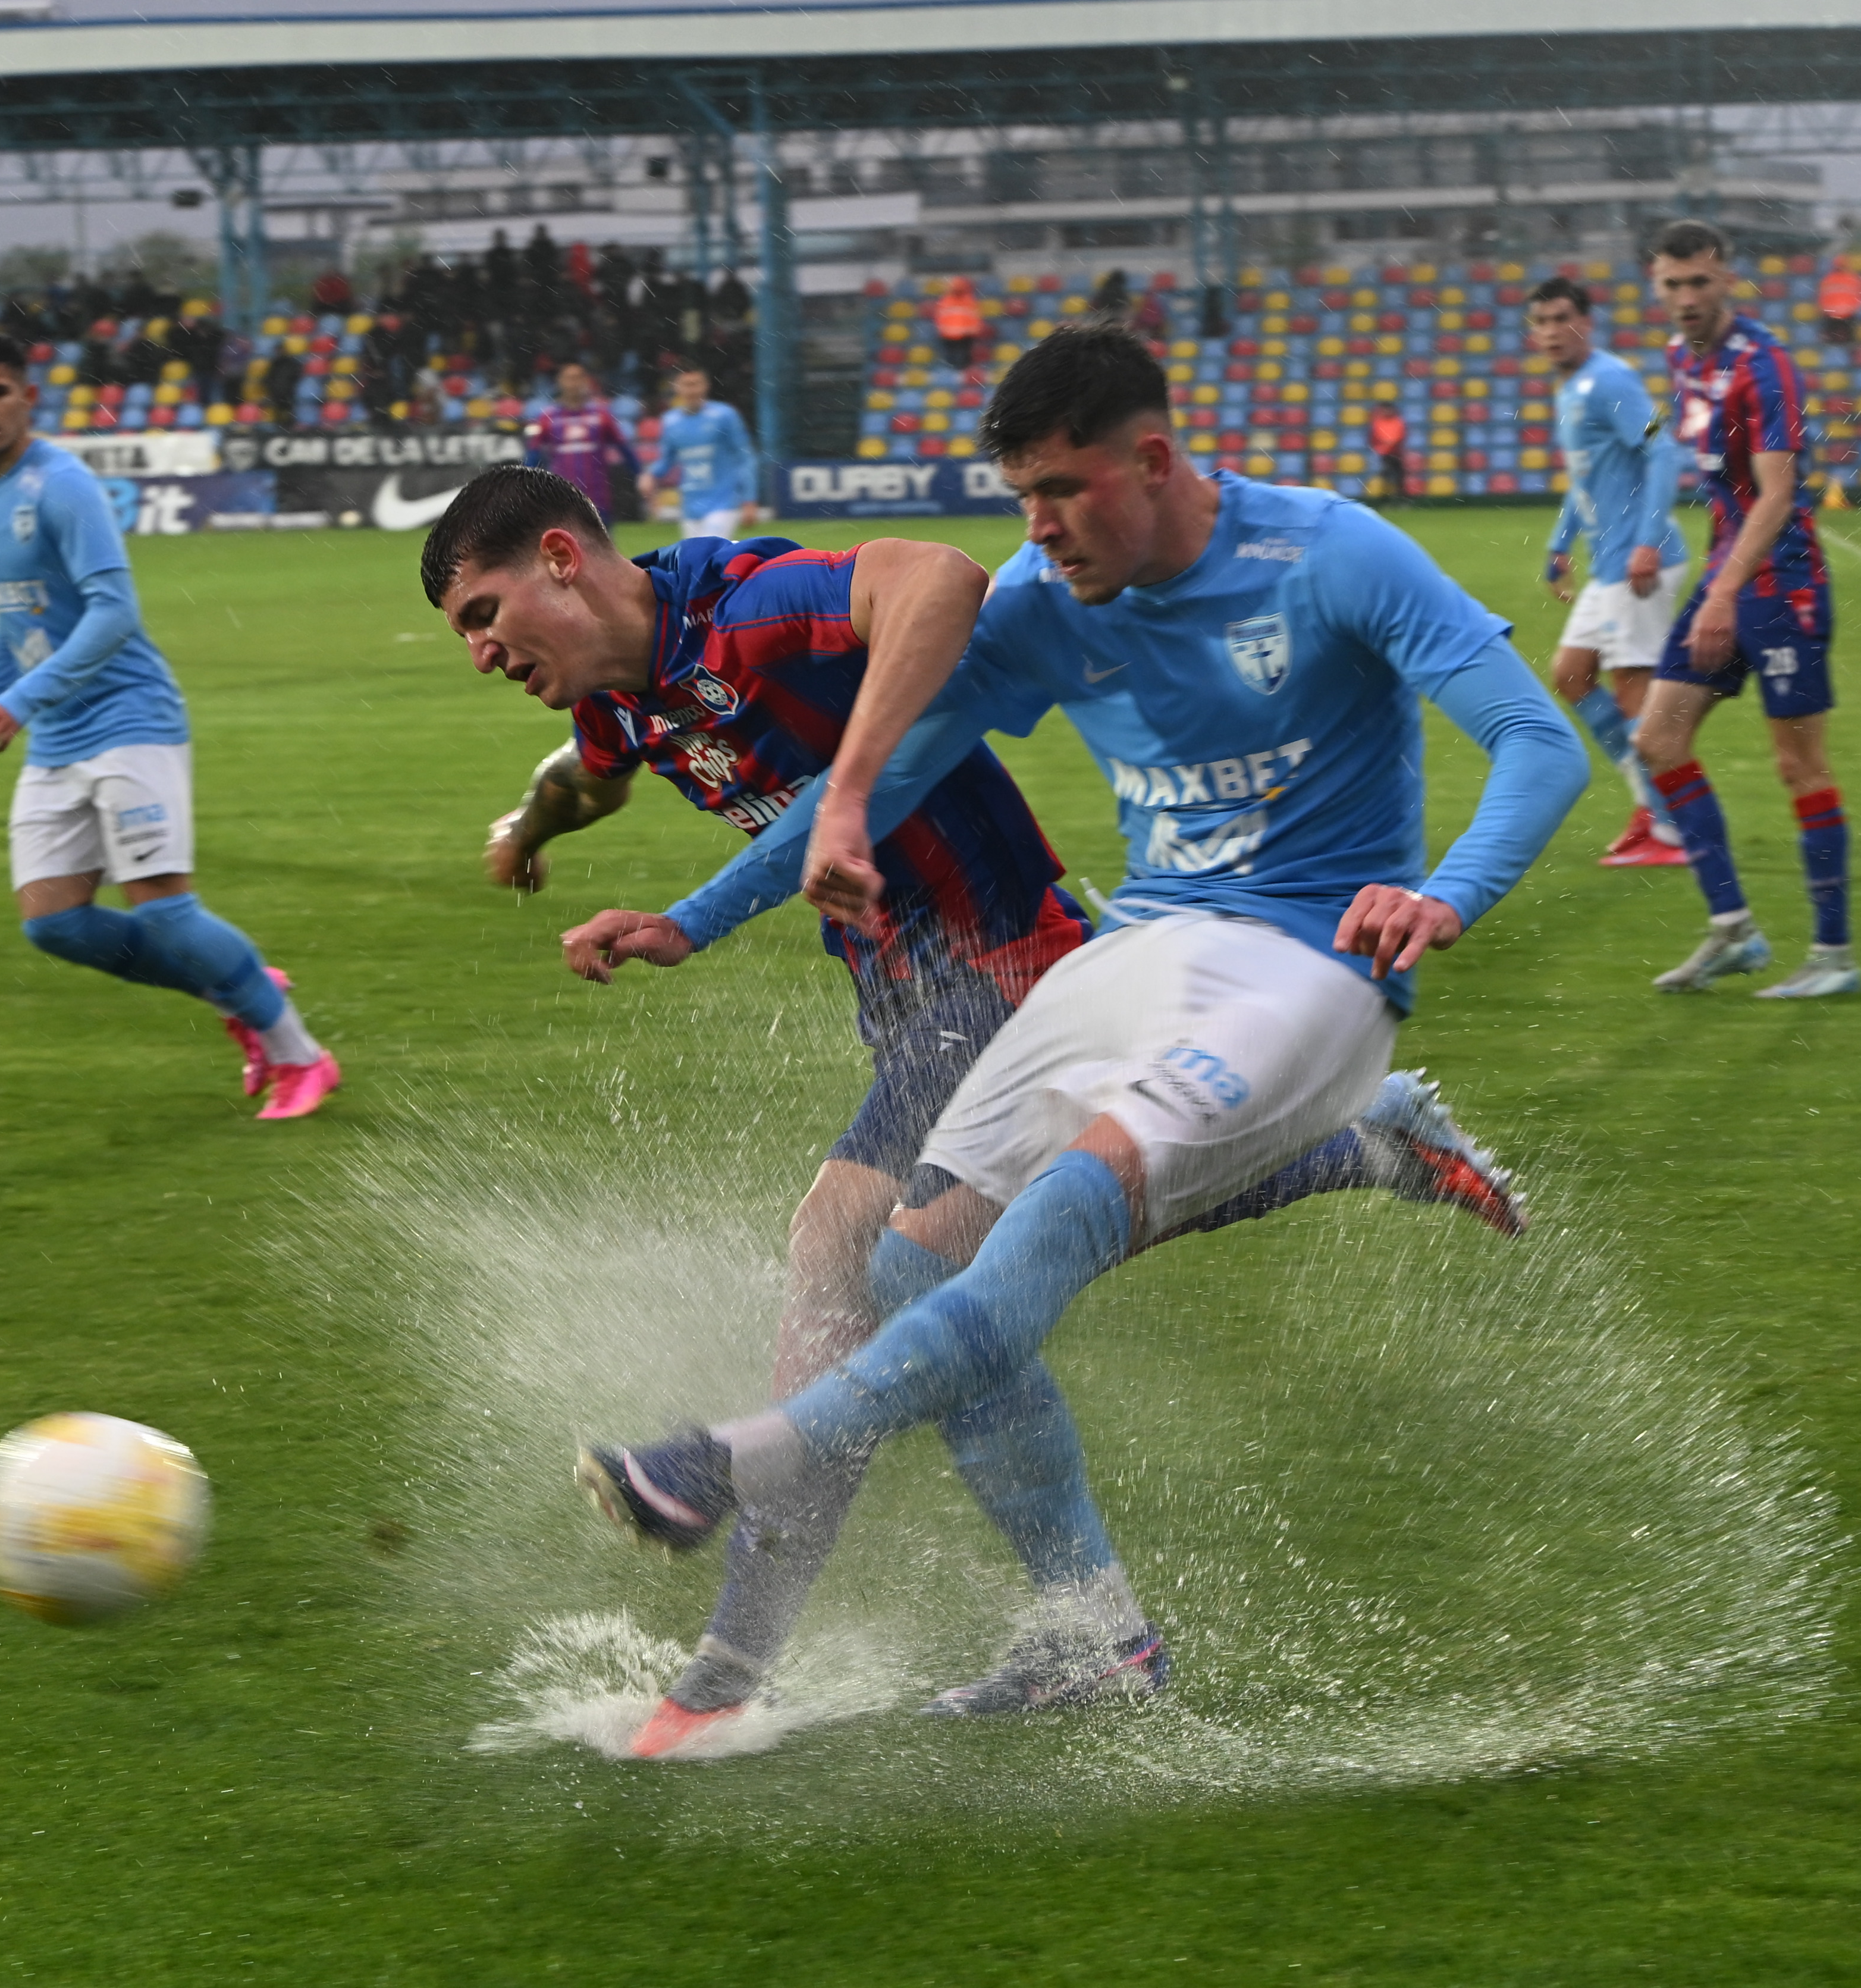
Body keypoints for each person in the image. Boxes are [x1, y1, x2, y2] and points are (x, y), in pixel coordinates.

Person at [567, 319, 1584, 1741]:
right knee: (915, 1272)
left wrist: (1444, 894)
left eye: (1059, 492)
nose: (1034, 533)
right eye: (1018, 500)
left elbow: (1539, 742)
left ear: (1151, 458)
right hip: (1131, 954)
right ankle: (1097, 1638)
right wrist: (693, 915)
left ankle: (732, 1457)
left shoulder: (1334, 556)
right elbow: (886, 770)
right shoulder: (1048, 604)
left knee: (1051, 1222)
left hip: (1308, 963)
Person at [0, 330, 340, 1120]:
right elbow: (15, 616)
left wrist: (16, 702)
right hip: (58, 731)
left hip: (128, 716)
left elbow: (114, 611)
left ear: (27, 397)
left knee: (163, 908)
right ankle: (235, 985)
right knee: (54, 924)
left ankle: (301, 1055)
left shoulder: (62, 485)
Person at [1633, 219, 1856, 999]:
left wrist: (1721, 593)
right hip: (1727, 574)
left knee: (1797, 764)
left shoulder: (1763, 369)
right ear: (1654, 286)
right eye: (1671, 283)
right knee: (1657, 740)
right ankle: (1733, 930)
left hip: (1779, 584)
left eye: (1698, 281)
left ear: (1725, 278)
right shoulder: (1679, 360)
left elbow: (1776, 495)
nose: (1685, 297)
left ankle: (1832, 955)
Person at [1527, 274, 1690, 868]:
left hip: (1638, 565)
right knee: (1571, 675)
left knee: (1633, 694)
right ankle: (1655, 805)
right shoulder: (1571, 389)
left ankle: (1674, 830)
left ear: (1587, 322)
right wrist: (1559, 543)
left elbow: (1663, 449)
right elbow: (1587, 478)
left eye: (1562, 318)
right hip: (1609, 565)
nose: (1551, 331)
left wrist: (1647, 542)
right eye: (1541, 321)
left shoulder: (1610, 380)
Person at [639, 365, 758, 537]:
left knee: (710, 552)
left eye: (696, 384)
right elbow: (666, 461)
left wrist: (749, 499)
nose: (692, 390)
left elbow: (745, 458)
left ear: (706, 386)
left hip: (723, 502)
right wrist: (650, 476)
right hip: (691, 506)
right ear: (677, 388)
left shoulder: (725, 416)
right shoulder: (670, 421)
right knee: (695, 562)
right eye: (687, 385)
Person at [522, 360, 639, 521]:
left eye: (578, 378)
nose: (573, 383)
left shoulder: (601, 416)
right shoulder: (548, 418)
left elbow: (624, 449)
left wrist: (641, 475)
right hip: (561, 498)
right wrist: (523, 485)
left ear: (586, 381)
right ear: (560, 382)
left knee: (599, 545)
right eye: (569, 378)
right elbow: (534, 454)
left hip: (598, 498)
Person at [933, 277, 984, 370]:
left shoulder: (969, 301)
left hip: (965, 335)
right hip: (949, 335)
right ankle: (952, 371)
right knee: (951, 358)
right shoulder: (945, 302)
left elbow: (975, 318)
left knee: (965, 359)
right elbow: (940, 319)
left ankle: (963, 371)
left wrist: (973, 330)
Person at [1368, 402, 1408, 506]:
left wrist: (1389, 442)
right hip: (1383, 455)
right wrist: (1386, 444)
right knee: (1385, 478)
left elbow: (1399, 436)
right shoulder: (1378, 422)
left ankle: (1400, 501)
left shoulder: (1398, 422)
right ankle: (1384, 501)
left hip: (1396, 454)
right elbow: (1376, 437)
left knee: (1399, 478)